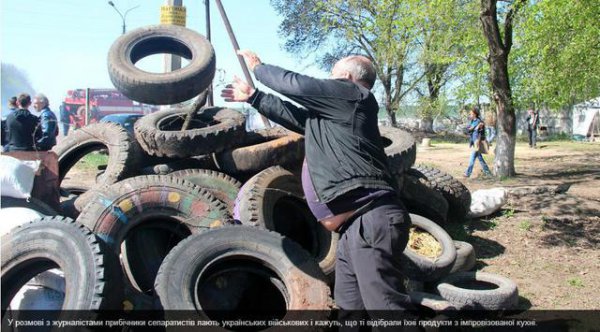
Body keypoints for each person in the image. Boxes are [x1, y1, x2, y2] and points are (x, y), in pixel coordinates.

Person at [222, 50, 414, 317]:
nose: (328, 81)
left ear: (347, 77)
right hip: (352, 228)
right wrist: (255, 98)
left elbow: (298, 85)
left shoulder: (355, 95)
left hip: (371, 220)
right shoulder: (337, 114)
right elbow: (298, 119)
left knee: (388, 312)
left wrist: (260, 68)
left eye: (332, 76)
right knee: (350, 310)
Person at [464, 106, 492, 178]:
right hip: (474, 142)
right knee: (480, 158)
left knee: (472, 158)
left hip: (477, 143)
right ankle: (488, 172)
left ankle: (468, 173)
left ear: (475, 114)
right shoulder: (473, 121)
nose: (470, 115)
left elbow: (480, 133)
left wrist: (477, 143)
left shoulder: (480, 123)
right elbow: (469, 130)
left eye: (471, 114)